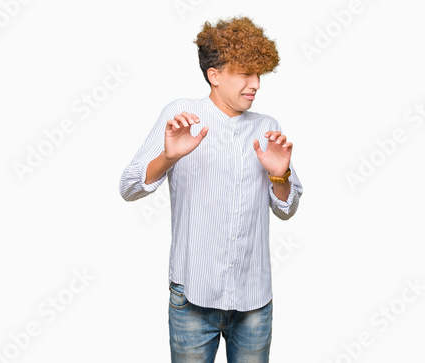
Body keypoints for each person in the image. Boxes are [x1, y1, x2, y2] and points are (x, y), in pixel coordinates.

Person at [119, 15, 303, 363]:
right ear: (214, 75)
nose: (256, 84)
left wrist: (281, 176)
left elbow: (287, 208)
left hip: (254, 302)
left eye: (259, 73)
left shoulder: (267, 127)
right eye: (245, 73)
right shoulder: (182, 115)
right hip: (192, 297)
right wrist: (167, 157)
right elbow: (129, 187)